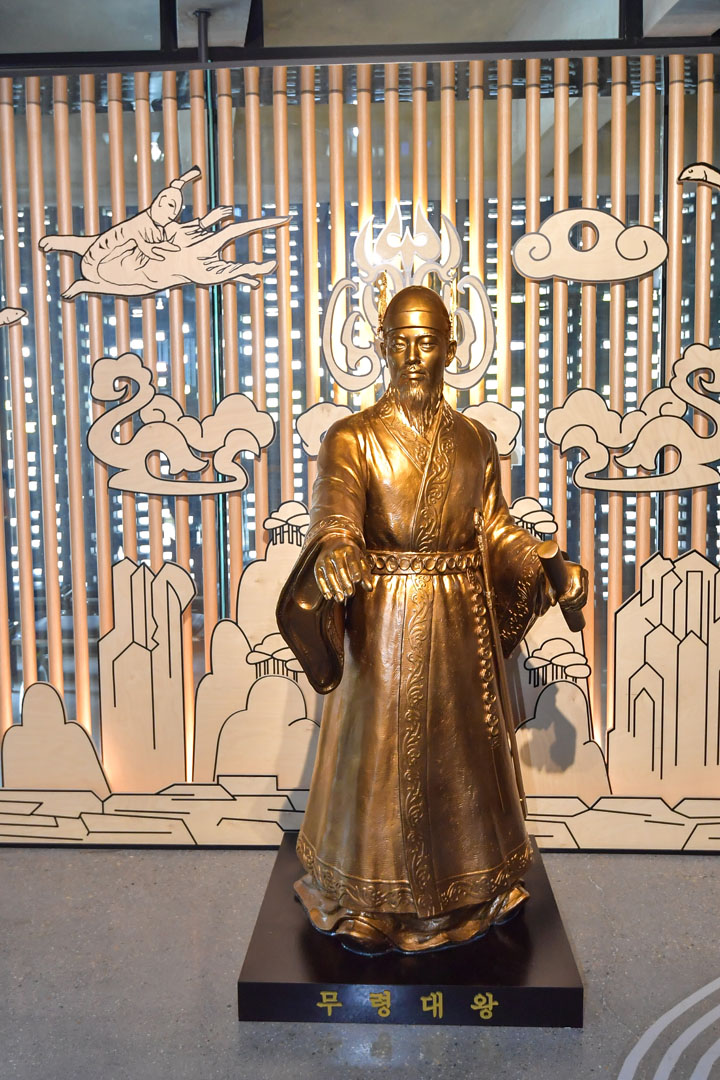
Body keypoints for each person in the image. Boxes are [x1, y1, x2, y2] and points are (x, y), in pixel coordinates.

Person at [277, 285, 587, 954]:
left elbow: (492, 530)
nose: (413, 355)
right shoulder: (352, 437)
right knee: (378, 759)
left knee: (461, 757)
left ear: (450, 349)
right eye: (401, 341)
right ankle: (367, 898)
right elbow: (334, 509)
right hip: (382, 617)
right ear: (382, 347)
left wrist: (547, 561)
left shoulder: (474, 441)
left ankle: (475, 885)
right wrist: (337, 546)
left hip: (456, 622)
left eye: (427, 341)